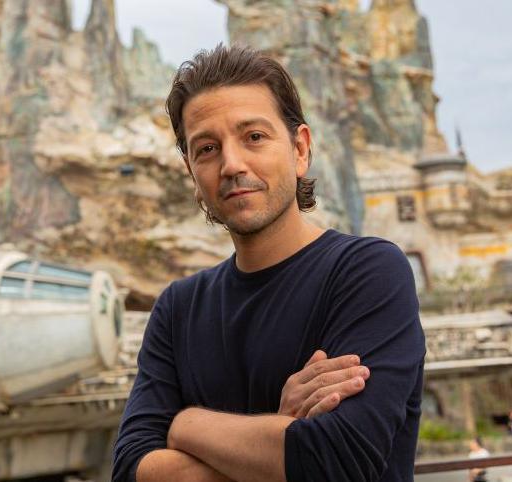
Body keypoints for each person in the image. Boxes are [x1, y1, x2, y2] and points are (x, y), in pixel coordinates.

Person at [112, 44, 426, 482]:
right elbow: (130, 470)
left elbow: (339, 461)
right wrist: (279, 438)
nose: (232, 164)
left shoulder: (368, 272)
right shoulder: (177, 309)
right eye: (207, 148)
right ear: (192, 173)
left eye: (254, 137)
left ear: (299, 150)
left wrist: (185, 425)